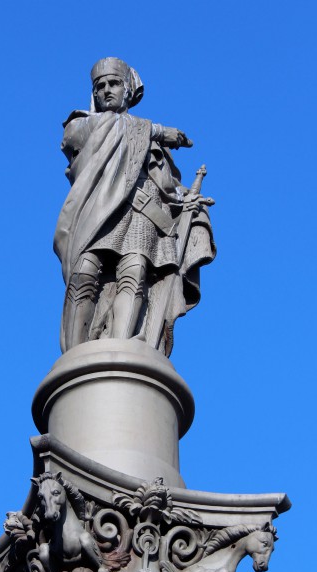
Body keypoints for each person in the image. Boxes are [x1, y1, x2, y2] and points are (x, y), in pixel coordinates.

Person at [54, 57, 216, 355]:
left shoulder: (153, 144)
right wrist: (157, 130)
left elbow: (167, 187)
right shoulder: (81, 124)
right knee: (83, 275)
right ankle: (76, 354)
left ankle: (124, 348)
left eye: (114, 83)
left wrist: (185, 202)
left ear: (128, 90)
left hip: (141, 212)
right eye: (100, 86)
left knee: (134, 274)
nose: (106, 90)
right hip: (97, 211)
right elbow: (78, 139)